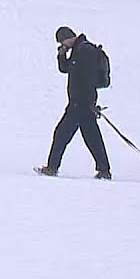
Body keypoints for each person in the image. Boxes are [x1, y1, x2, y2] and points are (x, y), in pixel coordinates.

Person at [36, 26, 111, 179]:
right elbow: (66, 69)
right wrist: (61, 55)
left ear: (68, 37)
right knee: (92, 137)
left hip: (81, 102)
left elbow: (87, 77)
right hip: (80, 102)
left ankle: (52, 167)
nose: (63, 45)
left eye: (63, 42)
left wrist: (90, 101)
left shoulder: (85, 50)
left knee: (61, 133)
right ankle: (104, 170)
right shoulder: (78, 50)